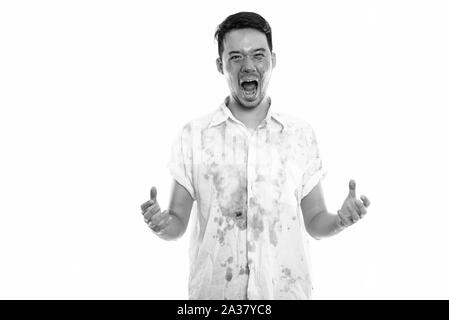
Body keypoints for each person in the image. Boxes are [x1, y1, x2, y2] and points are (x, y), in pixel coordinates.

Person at [140, 11, 371, 300]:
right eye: (235, 57)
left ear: (272, 60)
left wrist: (341, 220)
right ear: (219, 65)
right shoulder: (194, 135)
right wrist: (161, 224)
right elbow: (176, 223)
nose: (248, 65)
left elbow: (315, 221)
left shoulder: (299, 135)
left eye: (258, 55)